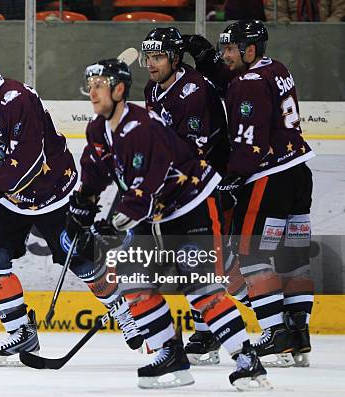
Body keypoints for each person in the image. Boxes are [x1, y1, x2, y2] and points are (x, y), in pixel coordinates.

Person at [0, 35, 146, 367]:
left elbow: (30, 159)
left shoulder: (17, 99)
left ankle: (122, 308)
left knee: (83, 262)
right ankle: (21, 331)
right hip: (11, 198)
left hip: (52, 191)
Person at [72, 58, 269, 390]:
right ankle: (170, 355)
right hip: (156, 213)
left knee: (201, 288)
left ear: (119, 90)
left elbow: (143, 189)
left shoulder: (142, 128)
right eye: (89, 85)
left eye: (99, 85)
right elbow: (96, 172)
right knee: (132, 280)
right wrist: (84, 203)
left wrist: (113, 225)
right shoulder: (98, 128)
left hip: (191, 207)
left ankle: (247, 361)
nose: (92, 92)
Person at [184, 20, 315, 367]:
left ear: (250, 50)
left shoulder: (248, 85)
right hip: (299, 172)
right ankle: (298, 334)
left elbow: (249, 144)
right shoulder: (276, 69)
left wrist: (231, 180)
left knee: (251, 256)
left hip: (269, 179)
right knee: (292, 258)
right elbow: (238, 80)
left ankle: (274, 333)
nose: (226, 56)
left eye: (229, 50)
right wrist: (211, 60)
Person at [141, 26, 251, 366]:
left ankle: (267, 316)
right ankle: (211, 330)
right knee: (196, 261)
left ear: (175, 58)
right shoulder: (152, 88)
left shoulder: (194, 90)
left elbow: (195, 148)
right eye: (148, 56)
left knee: (214, 262)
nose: (151, 63)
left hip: (208, 181)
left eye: (158, 56)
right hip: (177, 185)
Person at [264, 0, 345, 22]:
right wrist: (288, 29)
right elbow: (276, 12)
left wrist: (329, 28)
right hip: (291, 40)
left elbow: (340, 9)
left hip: (328, 38)